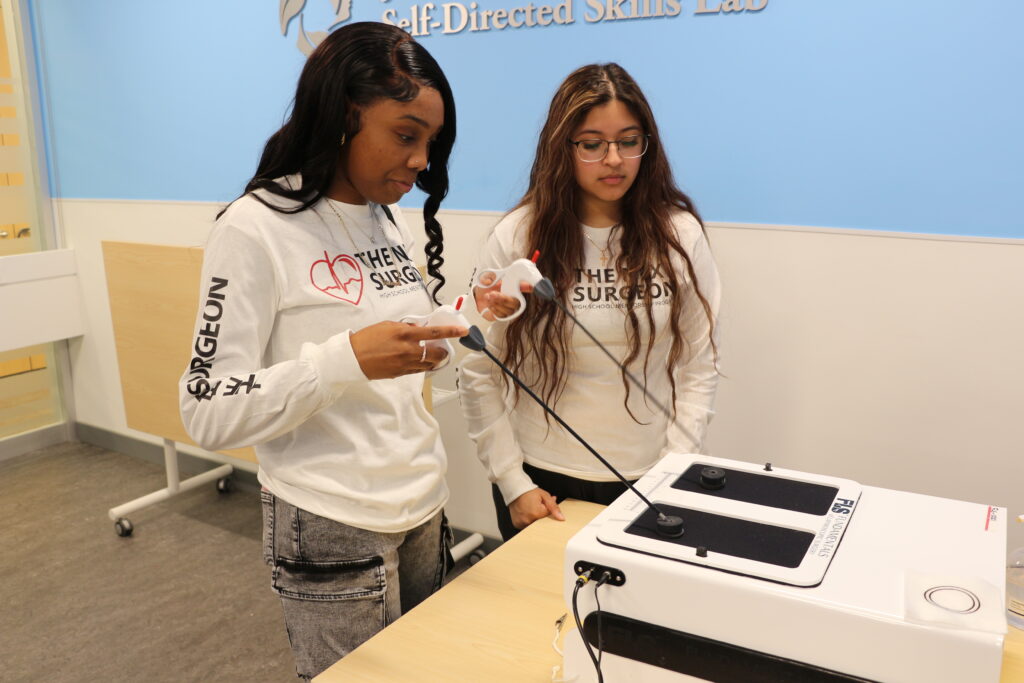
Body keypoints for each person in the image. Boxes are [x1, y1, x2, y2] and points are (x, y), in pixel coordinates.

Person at [178, 22, 464, 680]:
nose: (422, 160)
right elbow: (206, 410)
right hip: (333, 521)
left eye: (431, 141)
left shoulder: (376, 213)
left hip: (421, 502)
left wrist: (469, 319)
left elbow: (398, 350)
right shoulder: (252, 229)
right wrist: (344, 361)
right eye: (406, 134)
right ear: (344, 113)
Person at [458, 63, 721, 541]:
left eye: (628, 140)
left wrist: (672, 471)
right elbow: (479, 368)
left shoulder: (679, 235)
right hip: (542, 481)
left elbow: (699, 365)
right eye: (592, 144)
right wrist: (511, 482)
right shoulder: (518, 234)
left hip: (649, 479)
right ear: (564, 147)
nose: (614, 159)